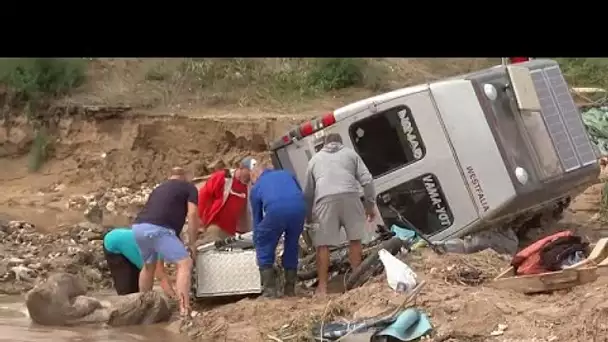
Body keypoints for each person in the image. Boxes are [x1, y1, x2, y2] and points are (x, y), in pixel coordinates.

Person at [303, 133, 377, 296]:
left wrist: (309, 218)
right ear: (341, 143)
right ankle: (357, 283)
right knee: (355, 240)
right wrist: (369, 206)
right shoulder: (351, 154)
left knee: (322, 244)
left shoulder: (314, 160)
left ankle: (322, 288)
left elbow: (308, 193)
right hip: (351, 196)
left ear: (325, 144)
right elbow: (368, 181)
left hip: (325, 200)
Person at [131, 167, 199, 316]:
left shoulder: (159, 188)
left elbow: (161, 211)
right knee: (184, 263)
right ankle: (184, 310)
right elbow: (192, 214)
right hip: (158, 229)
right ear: (186, 176)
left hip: (138, 228)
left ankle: (143, 308)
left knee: (149, 267)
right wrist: (192, 242)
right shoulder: (189, 187)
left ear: (171, 176)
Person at [249, 163, 306, 298]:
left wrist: (257, 238)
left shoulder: (257, 187)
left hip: (276, 211)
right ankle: (290, 288)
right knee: (292, 244)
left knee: (264, 243)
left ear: (255, 175)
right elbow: (299, 193)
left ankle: (270, 291)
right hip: (299, 209)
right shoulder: (287, 174)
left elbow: (257, 218)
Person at [103, 228, 176, 298]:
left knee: (136, 288)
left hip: (124, 240)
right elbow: (161, 275)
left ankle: (142, 302)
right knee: (128, 292)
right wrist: (173, 296)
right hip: (113, 243)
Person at [197, 157, 254, 244]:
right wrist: (199, 221)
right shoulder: (222, 177)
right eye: (250, 172)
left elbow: (246, 213)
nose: (251, 175)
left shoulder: (247, 187)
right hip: (215, 227)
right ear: (242, 168)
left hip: (231, 232)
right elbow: (203, 196)